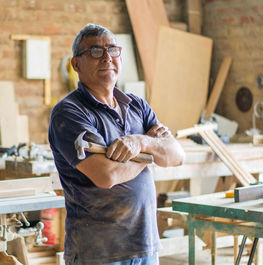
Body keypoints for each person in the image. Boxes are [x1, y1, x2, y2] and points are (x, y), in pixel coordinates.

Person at [48, 23, 185, 265]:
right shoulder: (69, 112)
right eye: (95, 52)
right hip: (99, 252)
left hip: (145, 246)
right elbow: (106, 176)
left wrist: (139, 142)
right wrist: (151, 153)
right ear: (76, 64)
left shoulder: (137, 106)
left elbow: (176, 155)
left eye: (112, 50)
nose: (107, 58)